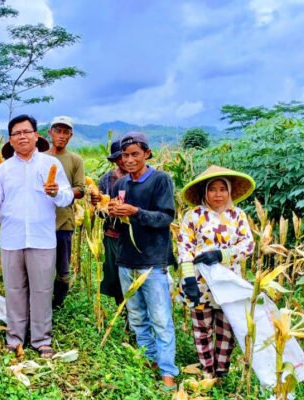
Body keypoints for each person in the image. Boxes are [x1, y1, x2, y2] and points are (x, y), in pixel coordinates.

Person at [0, 114, 73, 357]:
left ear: (36, 135)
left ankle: (41, 339)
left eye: (26, 132)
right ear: (10, 140)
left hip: (42, 238)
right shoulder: (2, 170)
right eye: (16, 133)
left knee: (43, 289)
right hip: (11, 238)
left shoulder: (50, 165)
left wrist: (55, 192)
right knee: (14, 288)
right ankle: (14, 337)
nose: (22, 136)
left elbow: (67, 197)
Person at [108, 131, 178, 389]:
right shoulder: (120, 185)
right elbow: (116, 220)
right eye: (125, 155)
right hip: (126, 259)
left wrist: (135, 212)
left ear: (147, 154)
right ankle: (149, 361)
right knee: (136, 316)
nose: (129, 160)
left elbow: (165, 218)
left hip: (153, 262)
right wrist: (110, 211)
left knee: (161, 319)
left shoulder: (160, 180)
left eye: (135, 154)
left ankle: (168, 372)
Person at [178, 166, 255, 380]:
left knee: (226, 327)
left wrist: (222, 255)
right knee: (202, 328)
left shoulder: (238, 216)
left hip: (229, 281)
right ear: (205, 192)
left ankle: (222, 370)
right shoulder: (193, 216)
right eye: (213, 189)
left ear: (230, 192)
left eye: (223, 189)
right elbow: (185, 249)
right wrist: (189, 280)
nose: (218, 194)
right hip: (200, 281)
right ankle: (207, 370)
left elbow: (248, 245)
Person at [45, 116, 85, 309]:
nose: (61, 136)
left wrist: (59, 192)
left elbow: (81, 189)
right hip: (40, 223)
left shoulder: (75, 160)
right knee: (42, 267)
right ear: (49, 132)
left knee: (62, 268)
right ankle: (41, 302)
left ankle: (57, 304)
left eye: (65, 132)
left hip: (63, 222)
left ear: (71, 136)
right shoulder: (40, 158)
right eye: (58, 131)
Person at [94, 140, 128, 308]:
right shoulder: (107, 179)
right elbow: (99, 212)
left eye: (126, 155)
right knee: (115, 277)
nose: (124, 160)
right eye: (119, 157)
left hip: (135, 237)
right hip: (112, 235)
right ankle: (122, 310)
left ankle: (135, 316)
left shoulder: (141, 179)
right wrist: (101, 206)